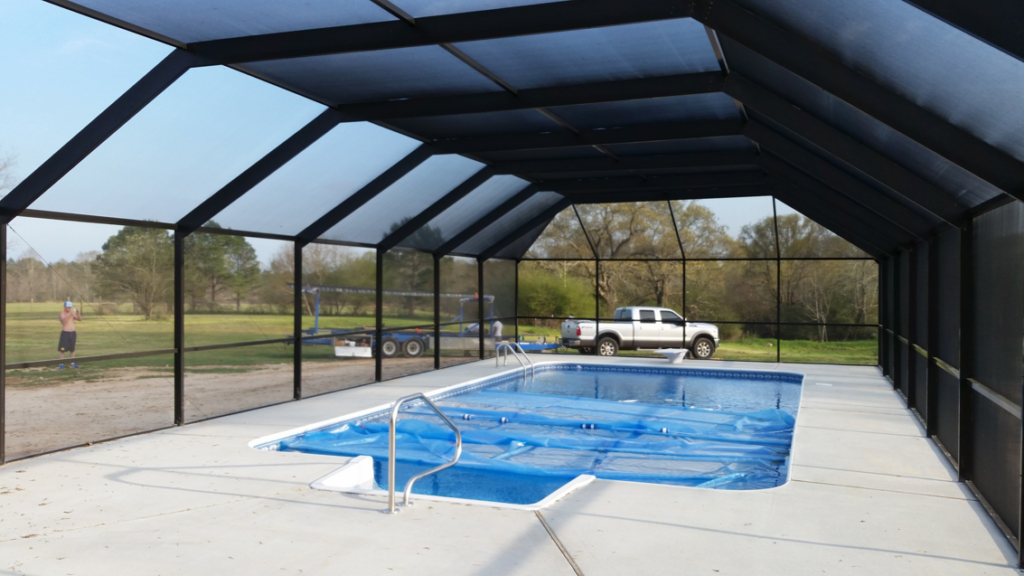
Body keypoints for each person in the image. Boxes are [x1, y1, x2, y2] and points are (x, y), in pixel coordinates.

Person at [58, 300, 82, 369]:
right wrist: (70, 315)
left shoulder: (72, 313)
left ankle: (72, 363)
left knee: (72, 349)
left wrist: (78, 313)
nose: (69, 308)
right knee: (62, 349)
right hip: (65, 333)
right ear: (64, 307)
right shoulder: (62, 314)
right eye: (67, 307)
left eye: (70, 307)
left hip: (72, 333)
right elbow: (63, 322)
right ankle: (61, 364)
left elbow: (80, 319)